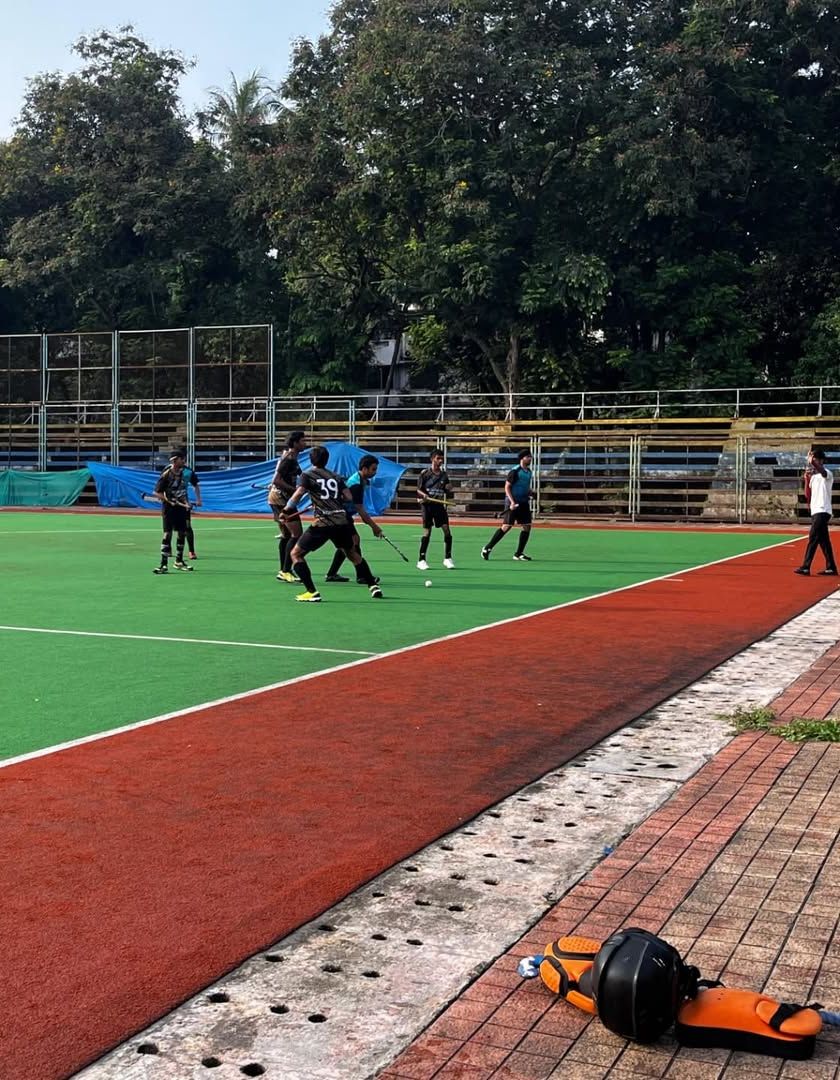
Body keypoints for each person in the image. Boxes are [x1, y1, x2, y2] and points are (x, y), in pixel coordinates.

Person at [282, 445, 383, 602]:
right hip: (341, 521)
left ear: (311, 460)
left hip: (323, 522)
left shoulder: (307, 475)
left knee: (296, 554)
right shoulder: (336, 477)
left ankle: (311, 592)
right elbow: (348, 497)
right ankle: (373, 586)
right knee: (353, 554)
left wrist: (286, 510)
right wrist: (331, 499)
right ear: (327, 460)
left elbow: (298, 494)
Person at [324, 454, 382, 585]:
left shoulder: (361, 480)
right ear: (364, 469)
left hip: (344, 515)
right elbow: (360, 509)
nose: (375, 472)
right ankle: (362, 576)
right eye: (373, 469)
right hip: (341, 515)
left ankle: (332, 574)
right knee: (353, 541)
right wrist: (374, 527)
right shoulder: (356, 485)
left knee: (347, 543)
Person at [481, 449, 535, 562]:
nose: (530, 459)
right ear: (522, 458)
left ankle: (519, 554)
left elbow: (525, 485)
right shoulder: (515, 471)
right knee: (506, 526)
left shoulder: (529, 472)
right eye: (528, 457)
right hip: (512, 502)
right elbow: (507, 487)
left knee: (527, 526)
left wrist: (530, 492)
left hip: (523, 502)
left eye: (530, 457)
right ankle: (487, 548)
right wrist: (512, 502)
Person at [269, 430, 307, 582]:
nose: (305, 443)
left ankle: (283, 571)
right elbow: (276, 480)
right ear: (295, 443)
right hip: (281, 499)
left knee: (286, 535)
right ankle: (286, 570)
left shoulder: (293, 458)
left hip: (279, 498)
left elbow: (301, 476)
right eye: (302, 441)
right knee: (296, 534)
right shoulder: (289, 458)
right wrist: (294, 490)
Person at [794, 447, 837, 576]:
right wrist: (807, 479)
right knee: (824, 541)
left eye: (816, 459)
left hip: (823, 510)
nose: (814, 462)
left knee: (813, 537)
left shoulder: (827, 473)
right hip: (816, 510)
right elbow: (808, 494)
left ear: (821, 460)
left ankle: (806, 566)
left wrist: (812, 461)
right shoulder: (814, 477)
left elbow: (822, 471)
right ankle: (831, 567)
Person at [152, 451, 196, 574]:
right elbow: (157, 492)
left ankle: (179, 561)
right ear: (175, 460)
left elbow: (182, 491)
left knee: (182, 533)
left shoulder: (182, 473)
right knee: (168, 534)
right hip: (168, 509)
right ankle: (163, 564)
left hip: (180, 508)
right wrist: (168, 500)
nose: (184, 461)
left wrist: (186, 503)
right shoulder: (166, 474)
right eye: (182, 459)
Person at [416, 448, 455, 570]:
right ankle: (421, 560)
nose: (440, 461)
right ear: (432, 459)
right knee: (427, 532)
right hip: (427, 506)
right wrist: (424, 496)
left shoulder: (444, 475)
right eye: (438, 458)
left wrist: (449, 488)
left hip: (439, 506)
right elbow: (418, 489)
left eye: (442, 458)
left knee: (447, 530)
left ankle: (448, 558)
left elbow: (447, 490)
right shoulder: (425, 474)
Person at [180, 456, 202, 559]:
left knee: (187, 527)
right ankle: (168, 549)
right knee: (169, 527)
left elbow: (195, 485)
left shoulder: (188, 471)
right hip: (170, 503)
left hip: (184, 502)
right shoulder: (167, 469)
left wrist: (198, 500)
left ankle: (191, 551)